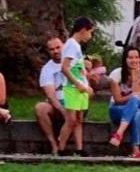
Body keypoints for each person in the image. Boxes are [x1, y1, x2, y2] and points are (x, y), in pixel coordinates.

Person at [56, 17, 95, 155]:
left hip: (80, 86)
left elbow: (76, 67)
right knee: (71, 119)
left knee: (78, 118)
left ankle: (79, 148)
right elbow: (65, 68)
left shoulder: (76, 46)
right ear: (83, 30)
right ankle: (61, 148)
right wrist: (78, 83)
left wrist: (86, 79)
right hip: (71, 87)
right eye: (90, 32)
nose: (90, 36)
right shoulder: (71, 45)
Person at [108, 44, 140, 159]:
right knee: (136, 113)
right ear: (125, 59)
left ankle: (118, 134)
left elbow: (139, 98)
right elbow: (117, 100)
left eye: (136, 57)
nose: (134, 60)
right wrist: (134, 95)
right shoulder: (116, 74)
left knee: (136, 103)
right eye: (130, 57)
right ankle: (136, 151)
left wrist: (136, 78)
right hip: (117, 109)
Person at [34, 36, 67, 154]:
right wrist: (63, 111)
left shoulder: (74, 62)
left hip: (74, 103)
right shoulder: (47, 69)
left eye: (58, 47)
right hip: (57, 106)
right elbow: (51, 96)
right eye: (52, 49)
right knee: (40, 108)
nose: (56, 51)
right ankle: (53, 145)